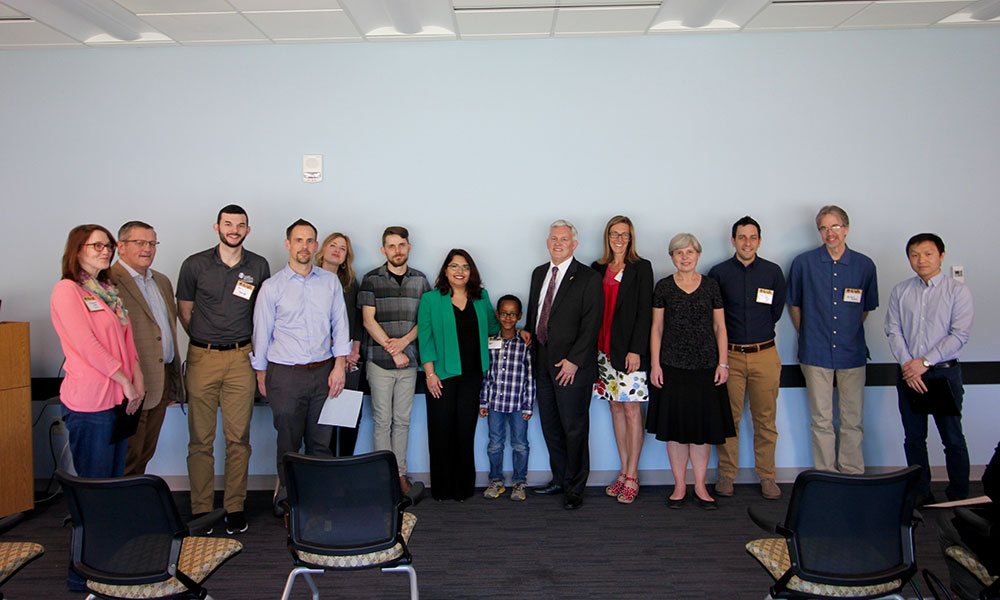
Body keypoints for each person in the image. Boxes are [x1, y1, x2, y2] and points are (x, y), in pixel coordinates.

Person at [50, 224, 143, 592]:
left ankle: (107, 562)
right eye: (96, 246)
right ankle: (83, 574)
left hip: (119, 401)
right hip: (91, 403)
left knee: (111, 485)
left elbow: (127, 341)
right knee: (92, 490)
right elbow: (86, 345)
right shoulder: (67, 291)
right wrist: (122, 379)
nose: (105, 251)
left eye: (108, 246)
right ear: (77, 250)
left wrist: (135, 381)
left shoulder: (108, 291)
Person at [176, 204, 270, 535]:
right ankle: (202, 509)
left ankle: (234, 506)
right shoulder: (194, 264)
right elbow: (184, 311)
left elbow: (263, 314)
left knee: (238, 438)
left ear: (248, 229)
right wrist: (207, 341)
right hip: (202, 357)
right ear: (216, 227)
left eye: (240, 225)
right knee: (200, 439)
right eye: (228, 224)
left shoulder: (258, 265)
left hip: (241, 358)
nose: (234, 229)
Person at [252, 219, 351, 500]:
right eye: (298, 240)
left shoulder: (330, 282)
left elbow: (340, 325)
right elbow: (262, 333)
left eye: (309, 241)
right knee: (288, 442)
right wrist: (261, 375)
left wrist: (340, 366)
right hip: (285, 375)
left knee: (321, 442)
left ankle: (318, 499)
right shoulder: (272, 287)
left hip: (324, 373)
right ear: (288, 245)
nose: (304, 246)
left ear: (316, 246)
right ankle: (289, 499)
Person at [787, 205, 877, 475]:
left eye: (835, 226)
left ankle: (852, 472)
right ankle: (826, 474)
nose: (830, 233)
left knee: (852, 420)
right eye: (824, 228)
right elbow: (794, 305)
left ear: (846, 229)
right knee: (821, 420)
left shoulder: (864, 265)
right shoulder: (804, 263)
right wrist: (810, 333)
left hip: (852, 353)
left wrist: (847, 331)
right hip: (815, 352)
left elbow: (865, 308)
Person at [647, 233, 734, 510]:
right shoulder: (663, 287)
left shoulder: (711, 286)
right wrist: (656, 364)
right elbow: (657, 328)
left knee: (701, 431)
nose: (685, 257)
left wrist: (723, 363)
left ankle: (699, 486)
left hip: (706, 368)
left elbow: (720, 327)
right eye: (679, 252)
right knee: (675, 431)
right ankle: (679, 486)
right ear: (671, 257)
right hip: (672, 367)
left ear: (698, 255)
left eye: (690, 252)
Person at [884, 233, 972, 503]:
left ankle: (958, 494)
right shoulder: (901, 291)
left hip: (943, 372)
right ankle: (920, 492)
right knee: (913, 438)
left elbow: (959, 334)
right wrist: (909, 366)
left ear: (941, 256)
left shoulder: (957, 291)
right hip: (909, 374)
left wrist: (924, 362)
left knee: (953, 439)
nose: (921, 260)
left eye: (928, 253)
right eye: (914, 254)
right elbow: (893, 329)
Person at [524, 219, 602, 510]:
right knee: (551, 426)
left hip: (572, 366)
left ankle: (576, 487)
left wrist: (574, 361)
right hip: (543, 361)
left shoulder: (588, 277)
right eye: (554, 238)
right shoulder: (538, 274)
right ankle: (559, 478)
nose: (558, 243)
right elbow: (537, 313)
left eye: (564, 239)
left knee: (574, 427)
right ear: (547, 242)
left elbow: (591, 324)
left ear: (574, 244)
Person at [707, 216, 786, 500]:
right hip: (730, 357)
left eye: (752, 237)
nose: (747, 243)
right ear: (733, 241)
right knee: (730, 419)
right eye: (742, 237)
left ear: (759, 241)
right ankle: (727, 475)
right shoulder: (718, 273)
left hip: (765, 354)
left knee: (765, 419)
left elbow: (775, 311)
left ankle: (767, 476)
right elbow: (713, 318)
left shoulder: (773, 272)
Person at [418, 249, 500, 501]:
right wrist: (430, 374)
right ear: (446, 270)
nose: (460, 271)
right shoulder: (432, 299)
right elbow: (425, 338)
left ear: (471, 271)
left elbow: (494, 326)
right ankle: (442, 489)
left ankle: (463, 488)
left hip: (472, 375)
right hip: (440, 376)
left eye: (465, 267)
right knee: (441, 431)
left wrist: (518, 332)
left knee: (465, 431)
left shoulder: (481, 297)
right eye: (454, 266)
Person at [359, 226, 431, 495]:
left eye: (401, 245)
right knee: (382, 421)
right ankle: (383, 477)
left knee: (402, 421)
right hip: (379, 361)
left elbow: (425, 321)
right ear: (383, 250)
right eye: (391, 246)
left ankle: (400, 474)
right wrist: (394, 349)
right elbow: (368, 321)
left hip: (410, 362)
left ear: (409, 247)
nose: (397, 250)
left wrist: (404, 344)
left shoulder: (421, 281)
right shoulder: (371, 279)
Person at [109, 220, 183, 476]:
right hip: (130, 385)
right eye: (139, 242)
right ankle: (121, 510)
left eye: (152, 243)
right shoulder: (108, 281)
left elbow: (166, 333)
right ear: (121, 246)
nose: (147, 249)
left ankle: (136, 506)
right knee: (128, 454)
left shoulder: (160, 281)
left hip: (160, 383)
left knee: (145, 453)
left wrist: (174, 382)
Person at [590, 215, 652, 504]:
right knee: (615, 408)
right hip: (603, 352)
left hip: (629, 352)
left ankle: (632, 475)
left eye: (624, 234)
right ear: (607, 237)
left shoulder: (641, 268)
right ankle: (622, 472)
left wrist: (636, 349)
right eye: (614, 234)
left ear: (631, 238)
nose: (619, 239)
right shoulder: (598, 268)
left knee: (631, 411)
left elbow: (644, 312)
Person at [480, 295, 535, 502]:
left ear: (519, 316)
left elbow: (529, 376)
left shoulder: (525, 343)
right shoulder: (491, 341)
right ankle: (496, 480)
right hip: (494, 403)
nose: (508, 318)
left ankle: (519, 482)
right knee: (495, 443)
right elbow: (487, 375)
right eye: (504, 313)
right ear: (497, 314)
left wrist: (528, 405)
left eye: (513, 314)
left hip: (518, 404)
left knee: (520, 444)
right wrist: (483, 402)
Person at [316, 231, 363, 456]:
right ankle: (322, 466)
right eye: (333, 245)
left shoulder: (351, 284)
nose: (337, 250)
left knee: (348, 416)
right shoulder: (309, 279)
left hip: (347, 360)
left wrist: (352, 350)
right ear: (322, 249)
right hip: (318, 358)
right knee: (321, 417)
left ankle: (345, 464)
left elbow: (356, 320)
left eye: (342, 248)